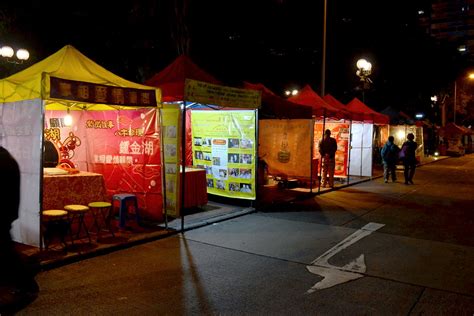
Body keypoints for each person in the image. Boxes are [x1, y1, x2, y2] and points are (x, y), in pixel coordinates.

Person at [0, 146, 39, 313]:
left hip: (2, 215)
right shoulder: (5, 158)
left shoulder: (3, 160)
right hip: (5, 215)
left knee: (6, 251)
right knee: (6, 251)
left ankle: (26, 286)